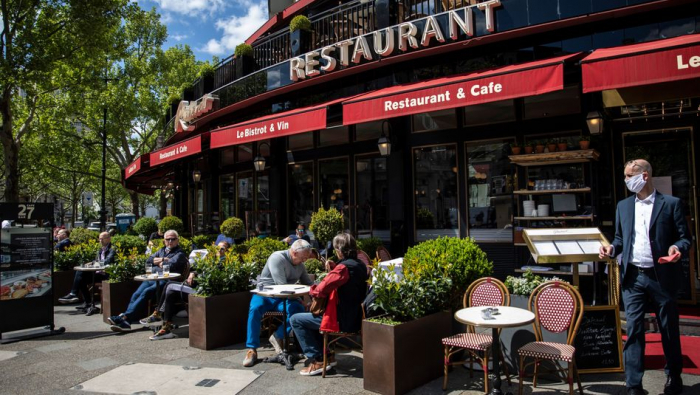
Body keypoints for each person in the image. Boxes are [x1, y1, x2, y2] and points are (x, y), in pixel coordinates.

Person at [599, 159, 691, 395]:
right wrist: (612, 249)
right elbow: (620, 239)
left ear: (646, 175)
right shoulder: (623, 206)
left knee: (668, 329)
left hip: (661, 276)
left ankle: (673, 376)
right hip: (633, 278)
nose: (627, 180)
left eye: (630, 176)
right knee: (634, 330)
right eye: (626, 176)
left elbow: (685, 238)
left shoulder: (671, 204)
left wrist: (676, 248)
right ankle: (634, 384)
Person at [290, 232, 368, 376]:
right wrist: (333, 269)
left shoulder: (342, 269)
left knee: (296, 319)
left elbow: (319, 291)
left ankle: (318, 359)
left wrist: (312, 289)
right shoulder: (361, 265)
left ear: (339, 250)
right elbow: (347, 284)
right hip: (356, 317)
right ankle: (328, 355)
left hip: (340, 320)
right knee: (310, 317)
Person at [242, 239, 314, 367]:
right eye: (303, 257)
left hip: (284, 298)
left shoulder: (300, 266)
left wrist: (321, 290)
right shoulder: (277, 258)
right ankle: (251, 349)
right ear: (294, 252)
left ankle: (278, 335)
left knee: (297, 311)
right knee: (255, 309)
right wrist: (301, 300)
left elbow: (309, 284)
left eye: (306, 258)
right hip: (265, 294)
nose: (305, 260)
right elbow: (282, 286)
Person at [145, 241, 231, 340]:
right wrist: (192, 273)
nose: (218, 250)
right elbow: (199, 268)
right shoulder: (212, 259)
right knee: (171, 292)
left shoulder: (224, 262)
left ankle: (158, 314)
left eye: (222, 248)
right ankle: (166, 327)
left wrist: (195, 275)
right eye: (217, 248)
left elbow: (212, 275)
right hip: (197, 287)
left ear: (228, 251)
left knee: (169, 285)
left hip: (203, 291)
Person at [108, 230, 189, 332]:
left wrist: (158, 262)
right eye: (168, 239)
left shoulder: (179, 253)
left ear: (177, 240)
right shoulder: (161, 251)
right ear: (164, 241)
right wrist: (163, 260)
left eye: (173, 239)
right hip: (154, 278)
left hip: (167, 282)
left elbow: (170, 266)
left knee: (146, 292)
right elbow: (148, 261)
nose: (170, 241)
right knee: (136, 294)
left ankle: (125, 318)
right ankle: (126, 319)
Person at [58, 232, 116, 315]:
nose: (100, 240)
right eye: (99, 238)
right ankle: (87, 303)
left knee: (81, 277)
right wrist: (90, 263)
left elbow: (107, 261)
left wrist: (95, 263)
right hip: (98, 273)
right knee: (81, 277)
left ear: (109, 239)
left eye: (102, 238)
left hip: (106, 274)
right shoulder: (100, 250)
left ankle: (74, 294)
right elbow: (97, 261)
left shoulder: (112, 249)